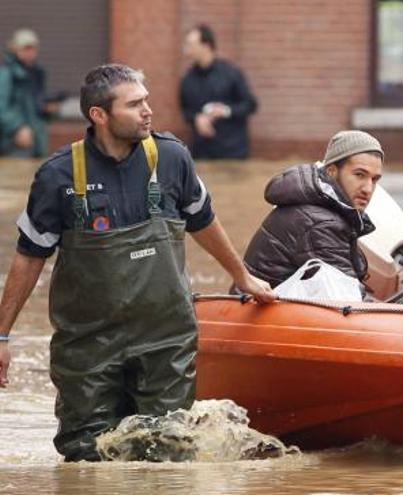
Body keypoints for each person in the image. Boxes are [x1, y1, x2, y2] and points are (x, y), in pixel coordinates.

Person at [0, 64, 275, 462]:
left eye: (146, 100)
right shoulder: (57, 176)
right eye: (135, 104)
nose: (149, 110)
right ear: (100, 115)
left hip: (165, 340)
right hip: (88, 347)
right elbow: (29, 259)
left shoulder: (172, 157)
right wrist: (3, 335)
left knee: (169, 453)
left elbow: (204, 222)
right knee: (87, 459)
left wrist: (242, 275)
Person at [242, 130, 383, 288]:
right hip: (259, 310)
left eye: (375, 179)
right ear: (331, 171)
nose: (368, 189)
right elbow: (348, 300)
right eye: (359, 175)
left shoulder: (320, 207)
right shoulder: (320, 223)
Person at [179, 24, 257, 159]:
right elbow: (186, 111)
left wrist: (226, 110)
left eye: (191, 44)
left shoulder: (231, 73)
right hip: (202, 152)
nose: (187, 50)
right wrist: (196, 118)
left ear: (206, 45)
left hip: (233, 152)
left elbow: (251, 104)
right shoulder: (187, 78)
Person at [0, 28, 57, 157]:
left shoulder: (37, 73)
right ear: (15, 49)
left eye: (33, 48)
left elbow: (36, 105)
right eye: (25, 48)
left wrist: (48, 109)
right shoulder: (7, 74)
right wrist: (17, 127)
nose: (30, 52)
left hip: (37, 140)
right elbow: (2, 106)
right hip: (13, 142)